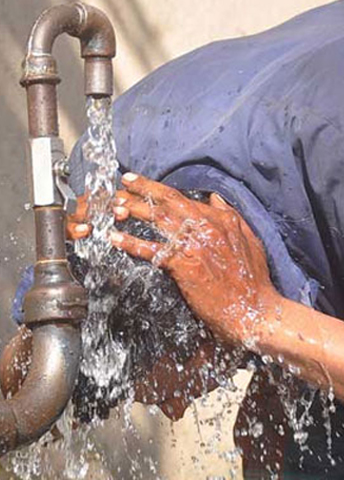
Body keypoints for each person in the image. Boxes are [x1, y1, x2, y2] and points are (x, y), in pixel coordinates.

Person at [62, 2, 344, 477]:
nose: (172, 410)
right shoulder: (104, 173)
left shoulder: (332, 156)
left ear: (212, 305)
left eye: (165, 389)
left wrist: (265, 316)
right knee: (281, 431)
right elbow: (25, 362)